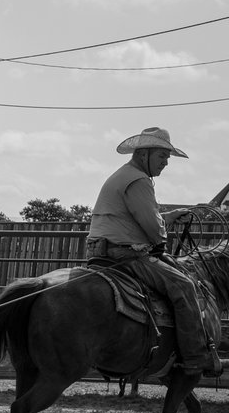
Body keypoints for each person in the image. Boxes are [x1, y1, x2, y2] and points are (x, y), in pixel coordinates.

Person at [86, 126, 219, 376]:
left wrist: (167, 217)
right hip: (127, 255)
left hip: (102, 252)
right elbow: (152, 228)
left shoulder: (123, 176)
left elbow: (139, 217)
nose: (166, 163)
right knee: (184, 286)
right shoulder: (139, 180)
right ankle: (194, 356)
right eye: (162, 156)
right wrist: (162, 232)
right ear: (143, 154)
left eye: (167, 157)